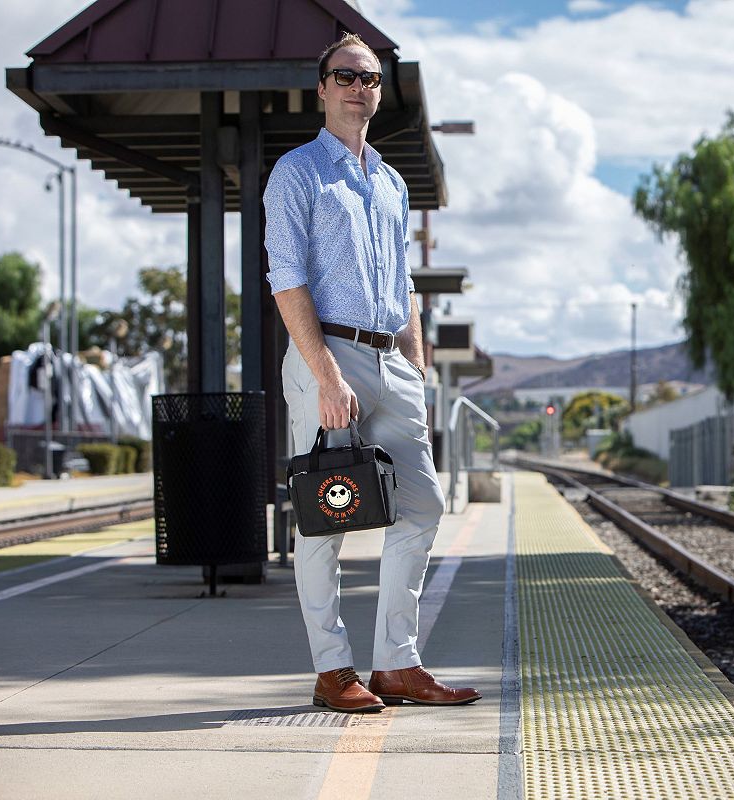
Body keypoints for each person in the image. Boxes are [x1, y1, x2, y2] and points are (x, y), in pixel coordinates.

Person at [263, 32, 481, 713]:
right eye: (345, 76)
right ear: (322, 89)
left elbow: (404, 282)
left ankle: (396, 663)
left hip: (392, 360)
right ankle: (333, 670)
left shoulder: (389, 181)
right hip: (328, 354)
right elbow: (288, 280)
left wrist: (414, 364)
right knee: (324, 518)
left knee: (421, 504)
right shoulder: (297, 172)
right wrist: (324, 374)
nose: (359, 87)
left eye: (370, 79)